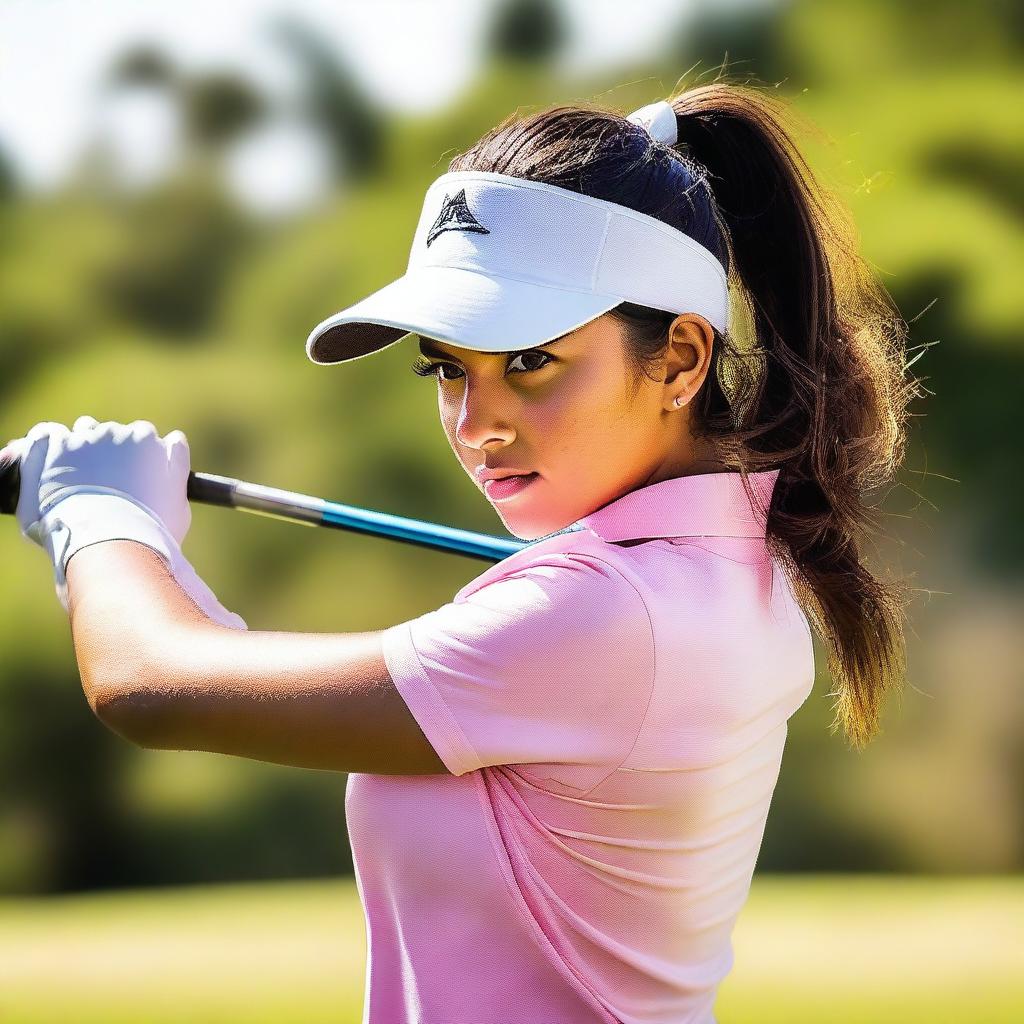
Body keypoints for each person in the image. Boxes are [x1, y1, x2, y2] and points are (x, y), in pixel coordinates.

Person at [4, 80, 916, 1023]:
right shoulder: (718, 570)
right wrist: (144, 542)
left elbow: (151, 687)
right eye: (447, 369)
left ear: (681, 358)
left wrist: (95, 514)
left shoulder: (603, 612)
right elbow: (215, 670)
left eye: (529, 362)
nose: (477, 425)